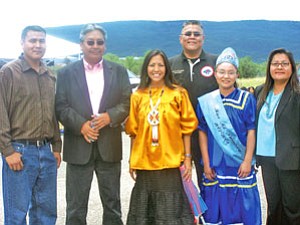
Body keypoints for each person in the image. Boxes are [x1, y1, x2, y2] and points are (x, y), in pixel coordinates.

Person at [55, 23, 131, 225]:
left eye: (100, 42)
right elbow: (61, 106)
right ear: (81, 45)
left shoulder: (119, 71)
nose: (95, 46)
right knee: (75, 208)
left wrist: (110, 116)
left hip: (110, 146)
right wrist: (81, 126)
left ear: (105, 46)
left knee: (113, 205)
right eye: (90, 42)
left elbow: (127, 102)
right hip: (78, 146)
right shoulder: (66, 73)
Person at [125, 49, 198, 225]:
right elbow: (133, 131)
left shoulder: (178, 93)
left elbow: (186, 129)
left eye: (160, 65)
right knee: (146, 211)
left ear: (166, 68)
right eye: (152, 65)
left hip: (170, 161)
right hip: (145, 163)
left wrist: (188, 158)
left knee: (170, 210)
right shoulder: (137, 95)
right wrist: (131, 160)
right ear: (146, 68)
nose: (156, 69)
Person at [0, 25, 62, 225]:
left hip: (46, 152)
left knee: (46, 214)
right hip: (19, 152)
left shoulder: (49, 75)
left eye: (41, 41)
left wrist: (56, 145)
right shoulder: (8, 73)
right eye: (32, 40)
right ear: (22, 42)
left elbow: (52, 113)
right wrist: (8, 151)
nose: (37, 45)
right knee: (17, 216)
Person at [196, 47, 261, 224]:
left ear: (237, 75)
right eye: (222, 72)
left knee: (243, 208)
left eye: (230, 72)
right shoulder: (206, 102)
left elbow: (251, 131)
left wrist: (248, 160)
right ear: (215, 74)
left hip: (239, 164)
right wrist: (206, 162)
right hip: (215, 165)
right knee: (216, 209)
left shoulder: (247, 99)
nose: (226, 76)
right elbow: (202, 132)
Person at [169, 20, 219, 188]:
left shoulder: (216, 62)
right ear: (180, 38)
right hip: (179, 135)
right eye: (188, 34)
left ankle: (211, 215)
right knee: (181, 182)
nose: (192, 37)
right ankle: (186, 215)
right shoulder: (170, 64)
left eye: (196, 34)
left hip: (209, 134)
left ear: (203, 38)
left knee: (210, 178)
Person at [255, 48, 300, 225]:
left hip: (291, 160)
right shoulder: (260, 91)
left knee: (292, 208)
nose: (279, 67)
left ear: (292, 67)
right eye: (275, 63)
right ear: (269, 67)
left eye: (284, 63)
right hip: (267, 158)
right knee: (274, 205)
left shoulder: (297, 94)